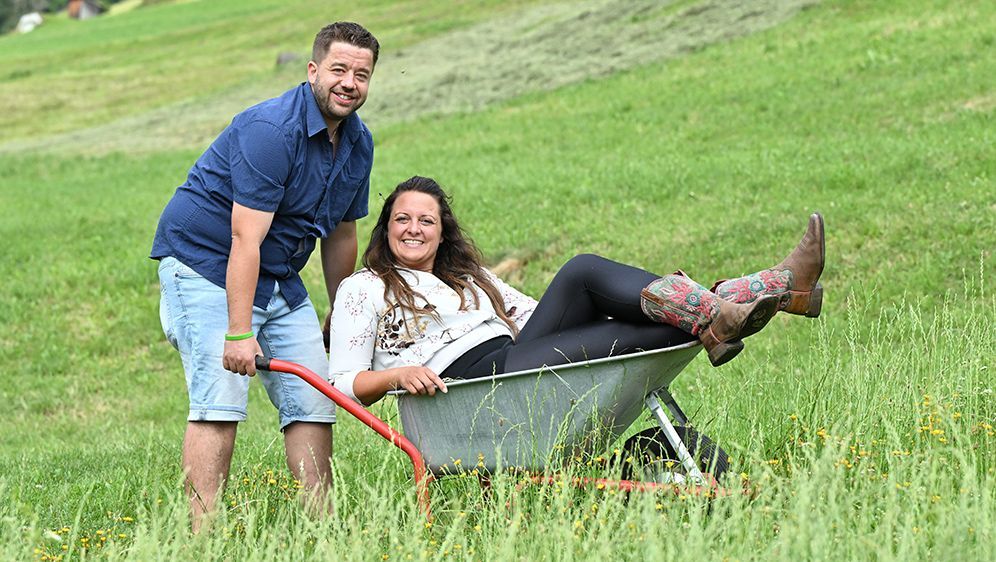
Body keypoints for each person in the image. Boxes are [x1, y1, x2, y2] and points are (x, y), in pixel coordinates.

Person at [150, 22, 379, 530]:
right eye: (338, 69)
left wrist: (342, 317)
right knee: (220, 399)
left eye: (361, 74)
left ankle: (323, 529)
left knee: (315, 397)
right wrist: (238, 331)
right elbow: (244, 239)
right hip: (207, 264)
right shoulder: (271, 130)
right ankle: (202, 535)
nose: (349, 82)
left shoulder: (359, 146)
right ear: (313, 70)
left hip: (276, 275)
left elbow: (341, 235)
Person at [328, 176, 825, 405]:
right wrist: (398, 375)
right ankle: (768, 294)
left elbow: (532, 312)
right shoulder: (363, 288)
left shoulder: (469, 276)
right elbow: (345, 382)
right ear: (386, 229)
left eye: (426, 220)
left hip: (512, 359)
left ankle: (762, 294)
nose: (413, 229)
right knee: (583, 270)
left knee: (649, 328)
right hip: (469, 386)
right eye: (402, 219)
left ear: (442, 230)